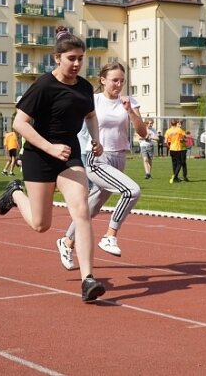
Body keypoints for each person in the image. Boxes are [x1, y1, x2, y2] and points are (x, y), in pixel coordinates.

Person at [0, 26, 106, 303]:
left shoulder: (83, 87)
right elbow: (19, 123)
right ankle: (15, 194)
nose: (77, 63)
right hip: (39, 155)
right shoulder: (44, 85)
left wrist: (95, 138)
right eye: (72, 58)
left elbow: (90, 115)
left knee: (81, 210)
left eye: (81, 58)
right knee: (40, 224)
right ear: (57, 58)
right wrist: (49, 147)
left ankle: (88, 280)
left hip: (69, 156)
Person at [57, 62, 147, 269]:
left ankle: (66, 242)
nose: (118, 84)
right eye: (114, 80)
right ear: (103, 80)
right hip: (95, 157)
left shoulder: (130, 101)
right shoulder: (93, 100)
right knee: (132, 191)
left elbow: (142, 133)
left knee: (93, 206)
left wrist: (131, 112)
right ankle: (110, 235)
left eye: (122, 81)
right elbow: (76, 126)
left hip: (119, 158)